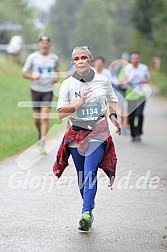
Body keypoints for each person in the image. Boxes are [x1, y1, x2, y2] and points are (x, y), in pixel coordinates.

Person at [53, 46, 121, 232]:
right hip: (76, 132)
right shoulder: (68, 84)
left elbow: (111, 99)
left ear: (90, 60)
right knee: (82, 175)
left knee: (90, 172)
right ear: (73, 63)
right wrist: (78, 102)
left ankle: (85, 212)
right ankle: (89, 209)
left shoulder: (103, 81)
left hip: (98, 131)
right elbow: (60, 114)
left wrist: (113, 116)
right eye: (77, 58)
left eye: (84, 57)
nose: (81, 61)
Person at [22, 36, 60, 154]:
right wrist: (32, 76)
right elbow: (24, 73)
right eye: (42, 43)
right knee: (36, 118)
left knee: (45, 115)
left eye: (46, 43)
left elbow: (57, 71)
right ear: (39, 45)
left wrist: (56, 77)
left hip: (48, 90)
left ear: (49, 45)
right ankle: (40, 133)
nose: (44, 45)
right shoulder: (33, 57)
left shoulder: (54, 58)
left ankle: (42, 142)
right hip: (35, 89)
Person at [125, 51, 150, 142]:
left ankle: (138, 132)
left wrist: (145, 80)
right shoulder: (127, 68)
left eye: (137, 58)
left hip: (141, 94)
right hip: (131, 95)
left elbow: (148, 78)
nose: (135, 60)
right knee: (131, 116)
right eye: (133, 58)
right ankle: (133, 133)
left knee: (139, 114)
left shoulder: (144, 68)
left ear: (139, 59)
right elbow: (122, 79)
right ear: (131, 59)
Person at [109, 52, 131, 135]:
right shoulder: (119, 68)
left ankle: (125, 126)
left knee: (125, 110)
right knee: (122, 109)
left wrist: (120, 81)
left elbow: (127, 77)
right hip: (119, 90)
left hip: (128, 90)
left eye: (125, 58)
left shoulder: (129, 67)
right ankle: (124, 126)